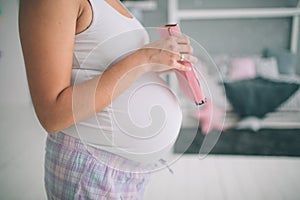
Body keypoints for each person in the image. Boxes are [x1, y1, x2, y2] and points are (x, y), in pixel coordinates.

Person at [19, 0, 197, 199]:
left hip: (127, 171)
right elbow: (52, 115)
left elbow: (111, 68)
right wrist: (145, 58)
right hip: (90, 168)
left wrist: (157, 61)